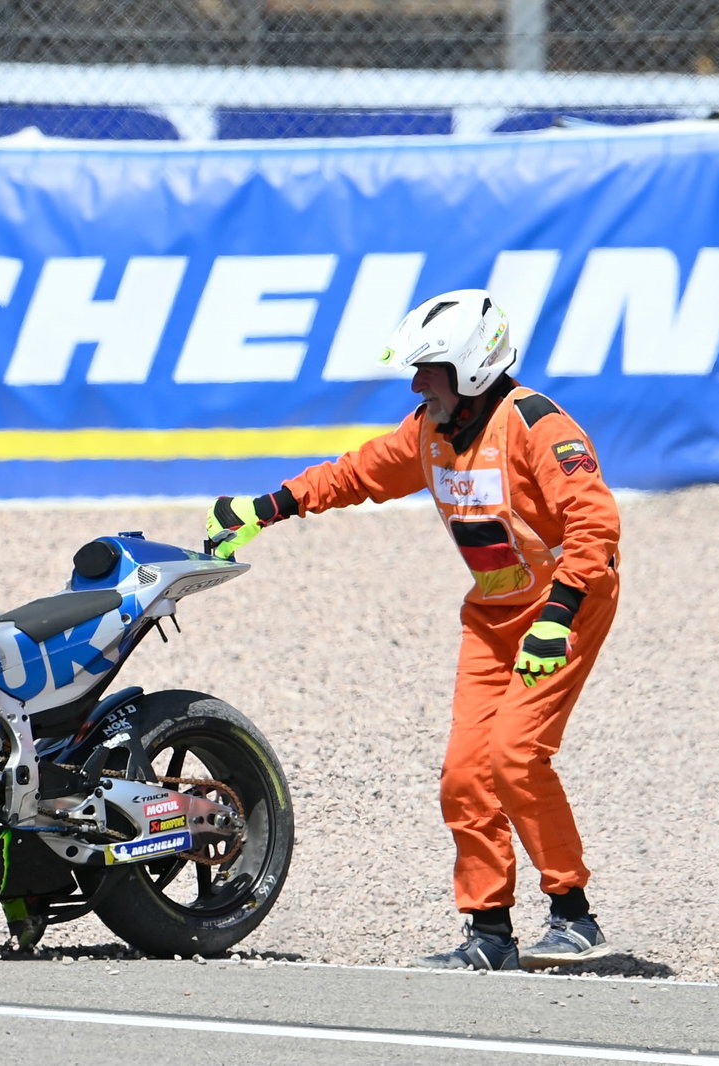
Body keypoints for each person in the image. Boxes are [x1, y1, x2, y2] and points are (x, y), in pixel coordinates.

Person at [205, 289, 620, 972]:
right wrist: (268, 506)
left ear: (474, 370)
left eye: (430, 370)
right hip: (493, 614)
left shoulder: (539, 427)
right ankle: (489, 933)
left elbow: (594, 528)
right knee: (464, 775)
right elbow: (357, 472)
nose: (417, 383)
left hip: (563, 606)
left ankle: (574, 915)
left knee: (515, 756)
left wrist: (557, 618)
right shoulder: (431, 429)